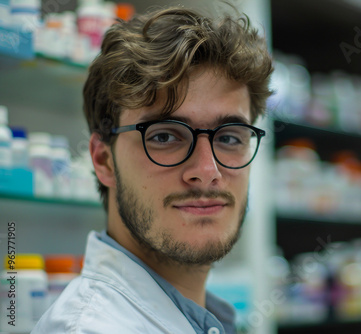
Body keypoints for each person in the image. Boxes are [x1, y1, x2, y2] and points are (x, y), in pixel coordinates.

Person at [33, 4, 273, 334]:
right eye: (164, 136)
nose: (207, 170)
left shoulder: (212, 319)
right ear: (104, 161)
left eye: (230, 138)